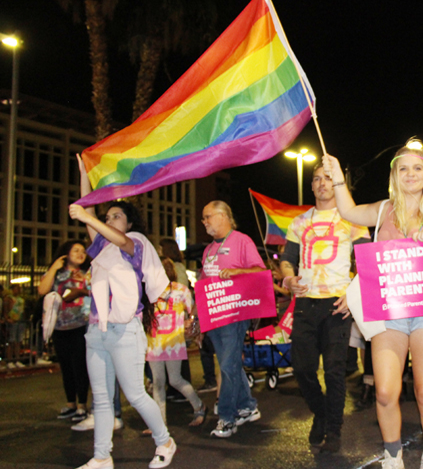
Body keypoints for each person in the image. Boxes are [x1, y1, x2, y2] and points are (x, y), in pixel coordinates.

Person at [323, 140, 423, 469]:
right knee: (386, 391)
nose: (411, 174)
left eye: (418, 168)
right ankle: (393, 459)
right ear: (394, 176)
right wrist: (338, 179)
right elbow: (348, 212)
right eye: (403, 168)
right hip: (388, 310)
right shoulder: (383, 208)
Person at [66, 156, 176, 469]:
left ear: (129, 223)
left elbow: (110, 232)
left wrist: (88, 215)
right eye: (108, 215)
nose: (111, 218)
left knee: (135, 394)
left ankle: (165, 441)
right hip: (97, 331)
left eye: (117, 215)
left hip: (125, 331)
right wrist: (84, 175)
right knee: (101, 398)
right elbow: (87, 212)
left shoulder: (136, 243)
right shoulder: (100, 248)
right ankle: (102, 457)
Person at [280, 163, 370, 452]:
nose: (322, 183)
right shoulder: (298, 222)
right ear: (312, 185)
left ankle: (334, 429)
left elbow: (367, 263)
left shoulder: (353, 220)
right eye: (317, 178)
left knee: (334, 370)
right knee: (302, 368)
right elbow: (287, 260)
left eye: (328, 178)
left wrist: (353, 294)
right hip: (305, 304)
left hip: (337, 304)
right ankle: (320, 412)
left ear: (339, 184)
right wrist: (288, 277)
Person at [198, 200, 265, 438]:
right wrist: (198, 318)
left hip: (235, 314)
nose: (204, 222)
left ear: (223, 215)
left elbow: (260, 271)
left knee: (226, 365)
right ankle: (247, 406)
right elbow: (204, 284)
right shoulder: (208, 250)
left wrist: (238, 272)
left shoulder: (242, 241)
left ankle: (227, 417)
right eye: (203, 218)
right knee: (230, 364)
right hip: (214, 315)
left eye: (207, 217)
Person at [145, 257, 206, 429]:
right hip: (154, 342)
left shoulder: (181, 290)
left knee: (175, 380)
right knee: (157, 382)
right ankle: (159, 424)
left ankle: (199, 406)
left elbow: (193, 310)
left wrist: (194, 328)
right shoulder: (148, 292)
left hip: (174, 342)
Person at [38, 240, 92, 421]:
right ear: (65, 254)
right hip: (59, 327)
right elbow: (42, 290)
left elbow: (95, 293)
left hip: (81, 326)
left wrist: (82, 291)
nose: (80, 253)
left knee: (79, 366)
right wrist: (54, 267)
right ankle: (70, 403)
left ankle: (82, 405)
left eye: (82, 251)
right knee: (66, 367)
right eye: (75, 250)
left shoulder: (87, 274)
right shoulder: (57, 274)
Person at [2, 284, 28, 368]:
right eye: (16, 288)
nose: (18, 290)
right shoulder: (8, 299)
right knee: (11, 341)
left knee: (18, 341)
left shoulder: (20, 299)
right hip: (12, 322)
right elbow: (5, 310)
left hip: (20, 321)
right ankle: (9, 360)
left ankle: (17, 359)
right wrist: (7, 318)